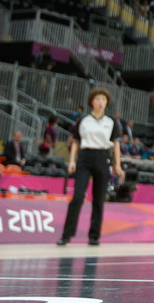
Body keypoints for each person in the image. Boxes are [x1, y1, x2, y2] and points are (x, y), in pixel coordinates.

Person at [57, 88, 123, 246]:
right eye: (98, 99)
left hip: (102, 158)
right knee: (78, 196)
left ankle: (94, 236)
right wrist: (72, 161)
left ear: (107, 103)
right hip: (85, 158)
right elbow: (76, 142)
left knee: (99, 199)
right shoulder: (84, 120)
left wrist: (117, 165)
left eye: (104, 99)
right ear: (91, 102)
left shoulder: (111, 122)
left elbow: (115, 145)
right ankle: (66, 235)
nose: (101, 102)